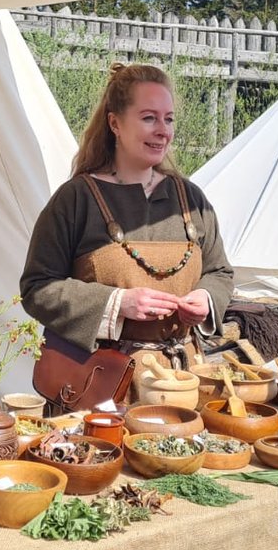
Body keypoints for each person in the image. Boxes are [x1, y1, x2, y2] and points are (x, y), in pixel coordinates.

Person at [20, 62, 233, 377]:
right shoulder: (76, 199)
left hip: (181, 385)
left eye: (169, 119)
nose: (163, 130)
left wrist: (205, 298)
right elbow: (37, 288)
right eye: (149, 118)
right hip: (98, 387)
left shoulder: (190, 199)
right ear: (115, 124)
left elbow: (220, 273)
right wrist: (117, 303)